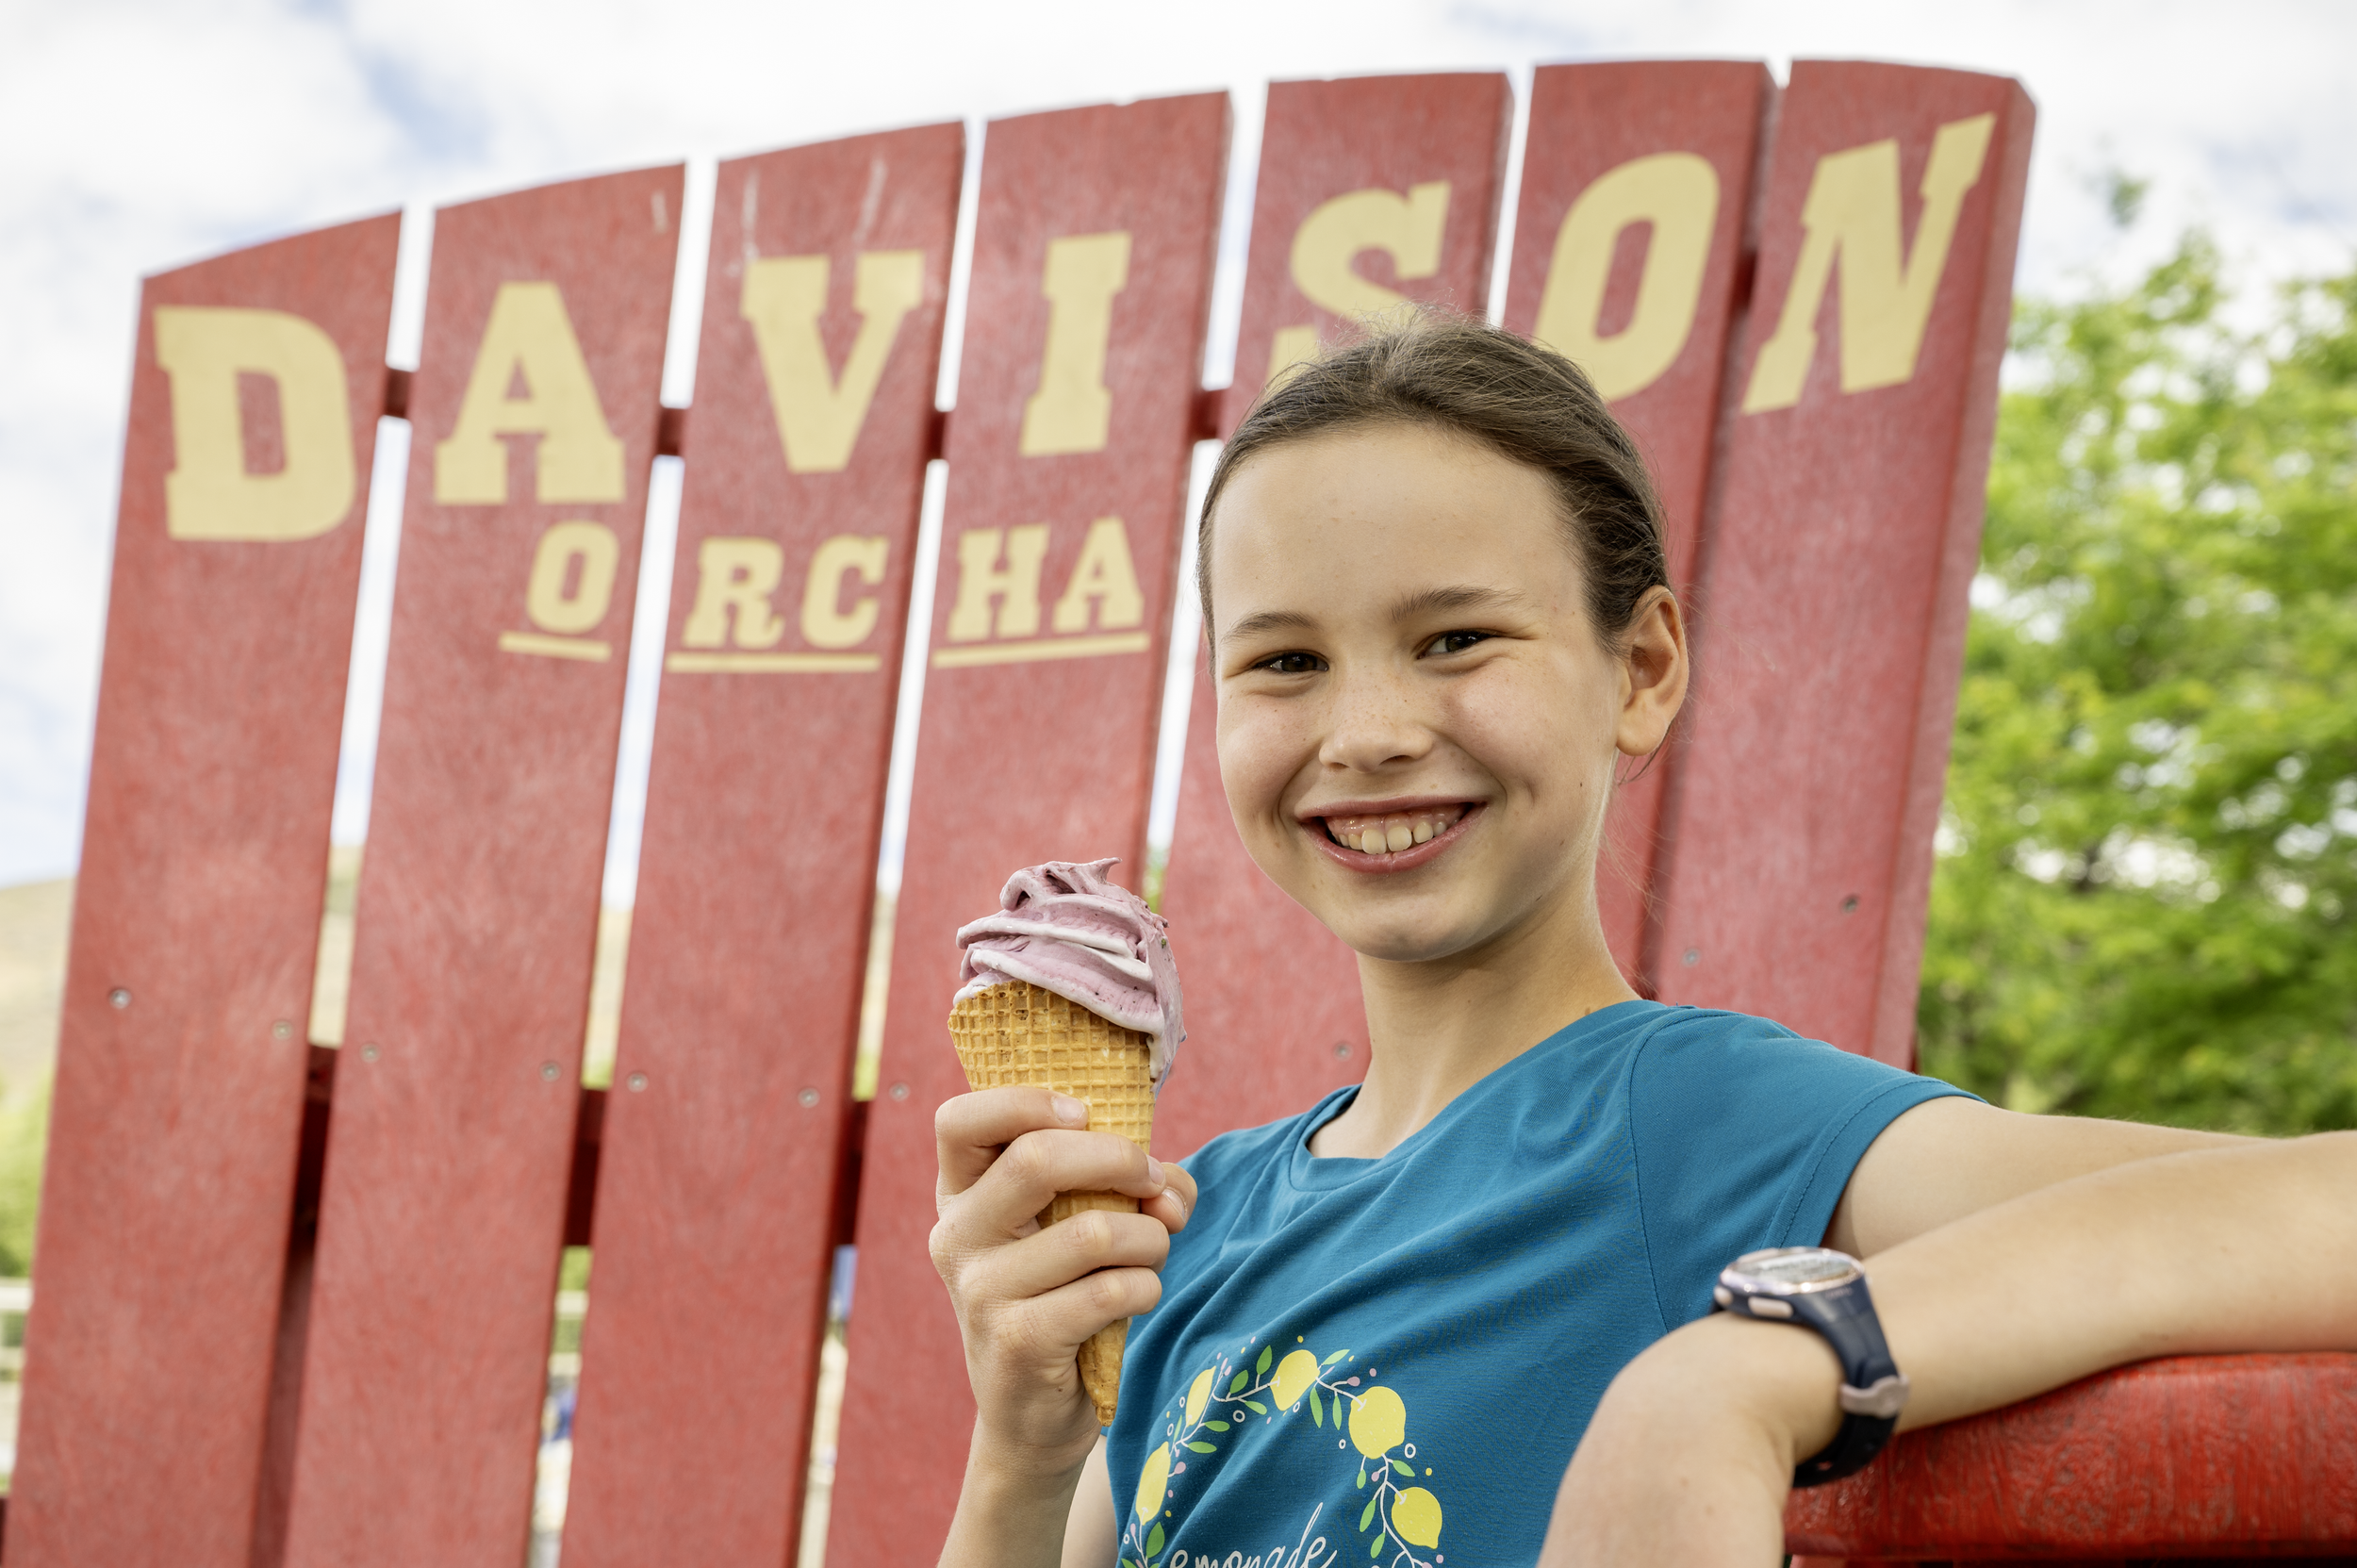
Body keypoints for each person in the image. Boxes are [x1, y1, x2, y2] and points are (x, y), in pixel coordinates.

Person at [926, 314, 2357, 1568]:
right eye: (1285, 660)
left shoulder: (1705, 1130)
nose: (1366, 733)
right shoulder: (1192, 1229)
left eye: (1457, 638)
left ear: (1644, 668)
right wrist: (1022, 1452)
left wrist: (1740, 1375)